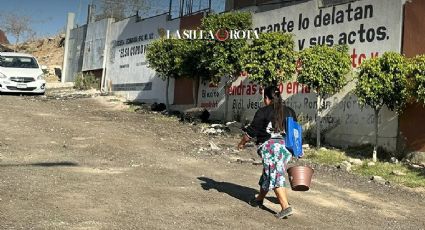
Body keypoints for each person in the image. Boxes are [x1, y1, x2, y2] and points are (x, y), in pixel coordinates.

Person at [237, 85, 297, 219]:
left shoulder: (263, 111)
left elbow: (251, 131)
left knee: (275, 174)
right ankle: (259, 199)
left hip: (271, 149)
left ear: (266, 98)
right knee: (269, 171)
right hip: (286, 149)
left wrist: (242, 143)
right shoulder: (290, 111)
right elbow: (295, 132)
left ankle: (285, 207)